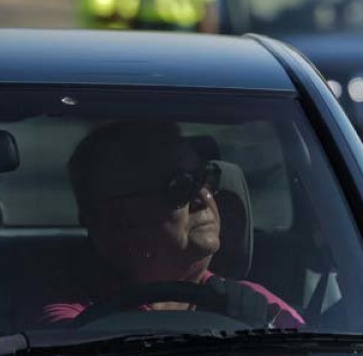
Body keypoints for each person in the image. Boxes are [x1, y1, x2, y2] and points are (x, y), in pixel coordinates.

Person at [40, 121, 303, 329]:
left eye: (205, 179)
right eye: (180, 187)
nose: (204, 197)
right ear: (111, 220)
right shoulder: (73, 324)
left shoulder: (255, 305)